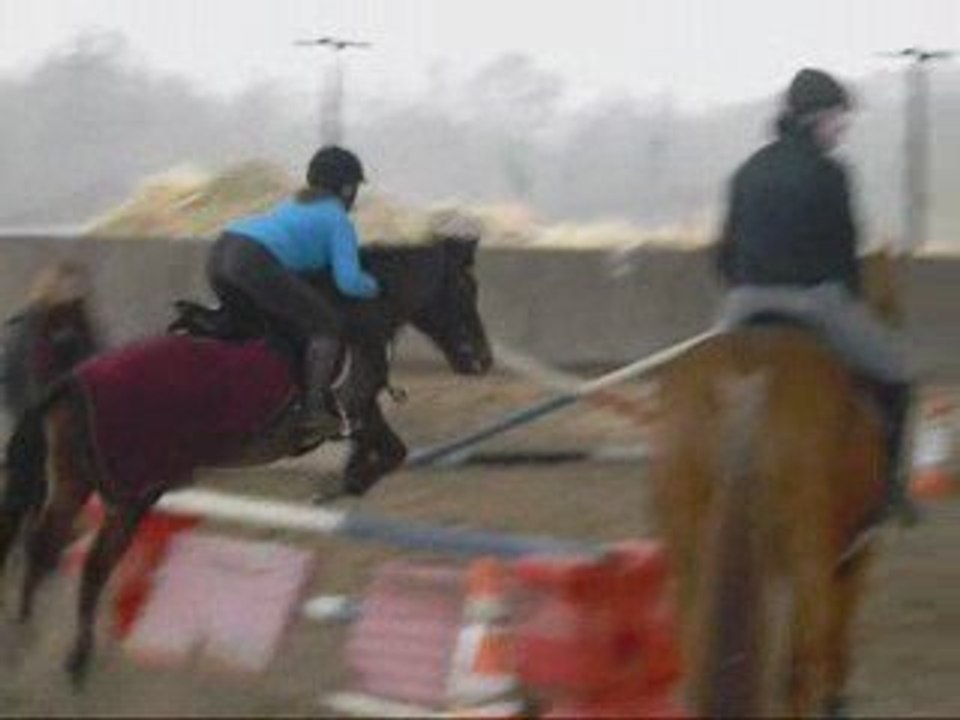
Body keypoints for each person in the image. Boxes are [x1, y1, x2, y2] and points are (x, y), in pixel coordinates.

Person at [714, 67, 917, 525]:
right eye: (839, 119)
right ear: (818, 118)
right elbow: (843, 252)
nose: (842, 129)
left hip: (744, 303)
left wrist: (744, 289)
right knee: (898, 375)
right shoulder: (831, 172)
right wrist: (853, 302)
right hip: (813, 301)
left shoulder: (746, 170)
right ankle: (887, 489)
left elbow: (723, 253)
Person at [205, 145, 381, 433]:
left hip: (222, 250)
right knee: (327, 325)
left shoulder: (293, 205)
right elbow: (348, 282)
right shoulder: (338, 219)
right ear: (347, 189)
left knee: (256, 324)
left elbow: (296, 254)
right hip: (254, 260)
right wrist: (374, 286)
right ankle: (313, 411)